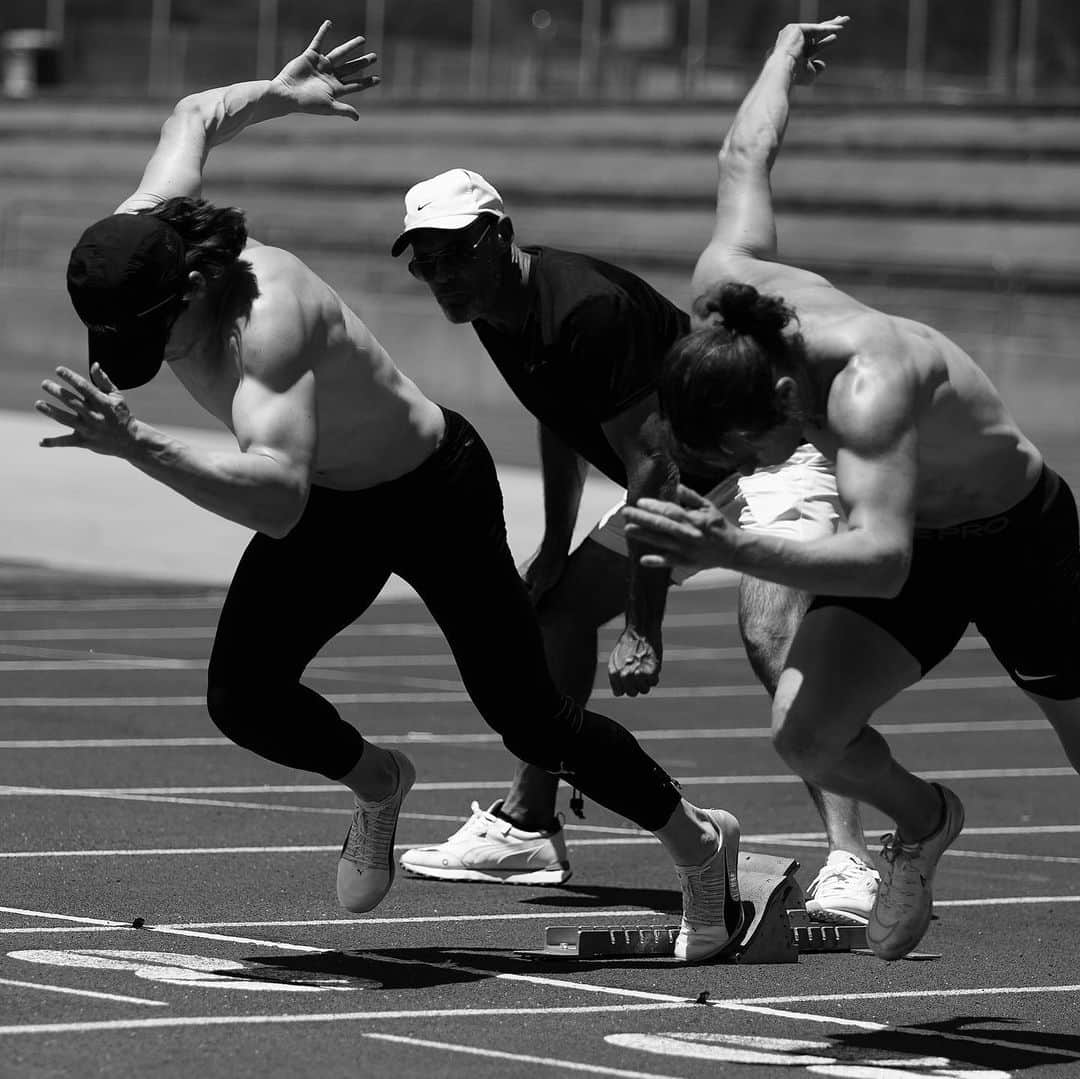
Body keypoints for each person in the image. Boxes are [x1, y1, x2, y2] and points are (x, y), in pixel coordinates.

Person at [37, 22, 747, 964]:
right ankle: (377, 780)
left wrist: (135, 444)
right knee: (242, 698)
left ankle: (698, 843)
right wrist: (283, 93)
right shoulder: (149, 224)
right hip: (333, 505)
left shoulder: (268, 325)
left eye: (151, 337)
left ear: (197, 282)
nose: (141, 360)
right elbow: (195, 112)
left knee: (527, 714)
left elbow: (275, 501)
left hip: (429, 492)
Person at [620, 14, 1080, 961]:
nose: (751, 471)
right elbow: (743, 154)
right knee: (805, 728)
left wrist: (729, 545)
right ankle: (924, 822)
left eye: (755, 451)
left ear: (786, 393)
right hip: (914, 540)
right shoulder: (727, 287)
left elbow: (880, 559)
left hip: (1014, 536)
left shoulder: (874, 384)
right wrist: (782, 56)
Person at [390, 167, 879, 924]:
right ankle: (529, 822)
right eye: (426, 261)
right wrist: (555, 543)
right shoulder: (490, 305)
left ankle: (852, 857)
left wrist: (641, 626)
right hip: (685, 476)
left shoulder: (586, 307)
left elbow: (652, 464)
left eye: (455, 253)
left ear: (500, 237)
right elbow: (560, 413)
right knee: (553, 611)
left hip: (765, 460)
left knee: (771, 635)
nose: (442, 276)